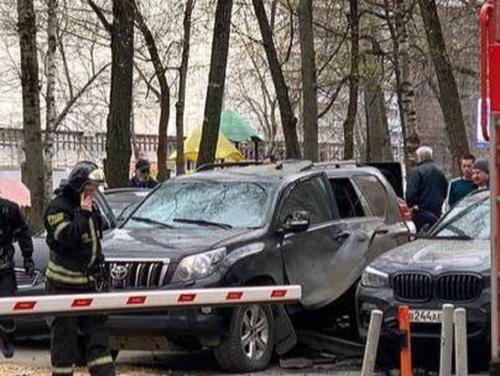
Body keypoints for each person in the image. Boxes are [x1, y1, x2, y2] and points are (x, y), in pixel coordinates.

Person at [44, 161, 115, 376]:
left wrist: (101, 271)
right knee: (64, 342)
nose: (93, 191)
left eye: (94, 187)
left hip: (90, 286)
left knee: (98, 339)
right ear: (78, 184)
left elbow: (95, 241)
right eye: (90, 186)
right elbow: (67, 238)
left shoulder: (88, 205)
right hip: (63, 287)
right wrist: (83, 215)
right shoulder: (58, 207)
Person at [0, 197, 34, 358]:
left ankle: (7, 337)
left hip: (4, 265)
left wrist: (28, 258)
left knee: (8, 304)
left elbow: (23, 232)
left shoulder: (9, 209)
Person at [405, 146, 448, 232]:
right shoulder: (440, 172)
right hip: (437, 212)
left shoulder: (417, 172)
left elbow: (410, 194)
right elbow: (445, 190)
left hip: (421, 213)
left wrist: (411, 205)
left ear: (420, 157)